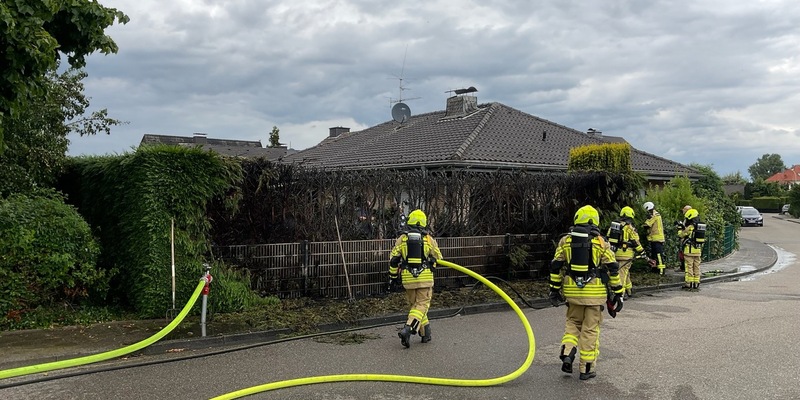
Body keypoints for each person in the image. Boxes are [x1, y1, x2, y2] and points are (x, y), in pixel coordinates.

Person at [549, 205, 623, 381]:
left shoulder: (565, 241)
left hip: (572, 294)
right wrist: (618, 292)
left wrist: (554, 290)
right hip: (595, 296)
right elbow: (613, 268)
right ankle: (586, 368)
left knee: (572, 325)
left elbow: (555, 266)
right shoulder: (601, 242)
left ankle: (567, 352)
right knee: (590, 330)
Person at [388, 209, 443, 348]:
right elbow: (439, 257)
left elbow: (393, 260)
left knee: (416, 307)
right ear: (424, 223)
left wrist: (393, 277)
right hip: (425, 278)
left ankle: (426, 334)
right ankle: (408, 329)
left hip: (408, 279)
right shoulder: (428, 239)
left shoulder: (402, 239)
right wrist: (432, 262)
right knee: (422, 305)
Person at [607, 206, 644, 299]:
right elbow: (636, 241)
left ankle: (629, 289)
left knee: (624, 271)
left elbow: (608, 237)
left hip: (614, 253)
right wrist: (642, 251)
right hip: (626, 255)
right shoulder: (629, 227)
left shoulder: (614, 225)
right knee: (622, 273)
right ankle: (621, 294)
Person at [677, 207, 705, 291]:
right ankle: (696, 283)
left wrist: (679, 229)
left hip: (689, 251)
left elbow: (681, 235)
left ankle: (688, 284)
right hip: (698, 251)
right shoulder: (700, 227)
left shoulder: (690, 227)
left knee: (689, 267)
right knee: (697, 267)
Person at [642, 201, 666, 275]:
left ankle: (661, 271)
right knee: (654, 255)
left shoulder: (655, 215)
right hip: (654, 239)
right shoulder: (655, 214)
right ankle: (655, 269)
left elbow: (647, 225)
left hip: (657, 239)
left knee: (658, 255)